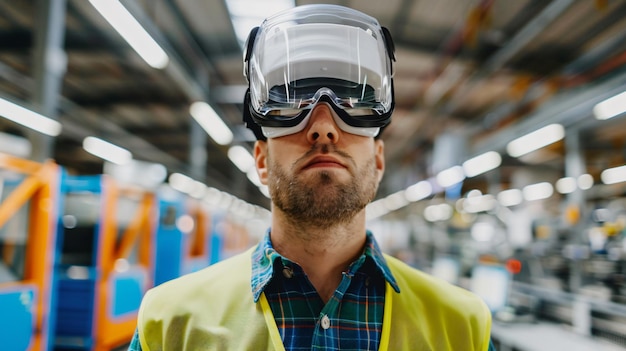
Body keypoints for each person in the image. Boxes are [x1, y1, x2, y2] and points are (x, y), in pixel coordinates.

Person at [129, 4, 496, 350]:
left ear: (379, 161)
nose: (323, 127)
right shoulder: (169, 322)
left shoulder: (463, 324)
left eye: (352, 104)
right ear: (260, 161)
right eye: (291, 105)